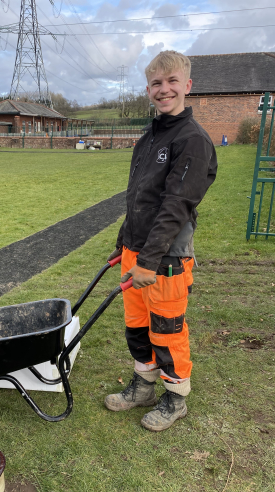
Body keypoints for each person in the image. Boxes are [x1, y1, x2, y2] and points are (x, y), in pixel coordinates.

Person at [104, 50, 217, 431]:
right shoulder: (150, 137)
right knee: (137, 325)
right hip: (137, 253)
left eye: (172, 82)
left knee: (167, 330)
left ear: (187, 86)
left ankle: (176, 397)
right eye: (156, 83)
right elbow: (138, 197)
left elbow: (176, 205)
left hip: (164, 257)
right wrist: (125, 244)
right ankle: (144, 385)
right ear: (148, 89)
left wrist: (149, 261)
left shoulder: (193, 140)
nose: (164, 89)